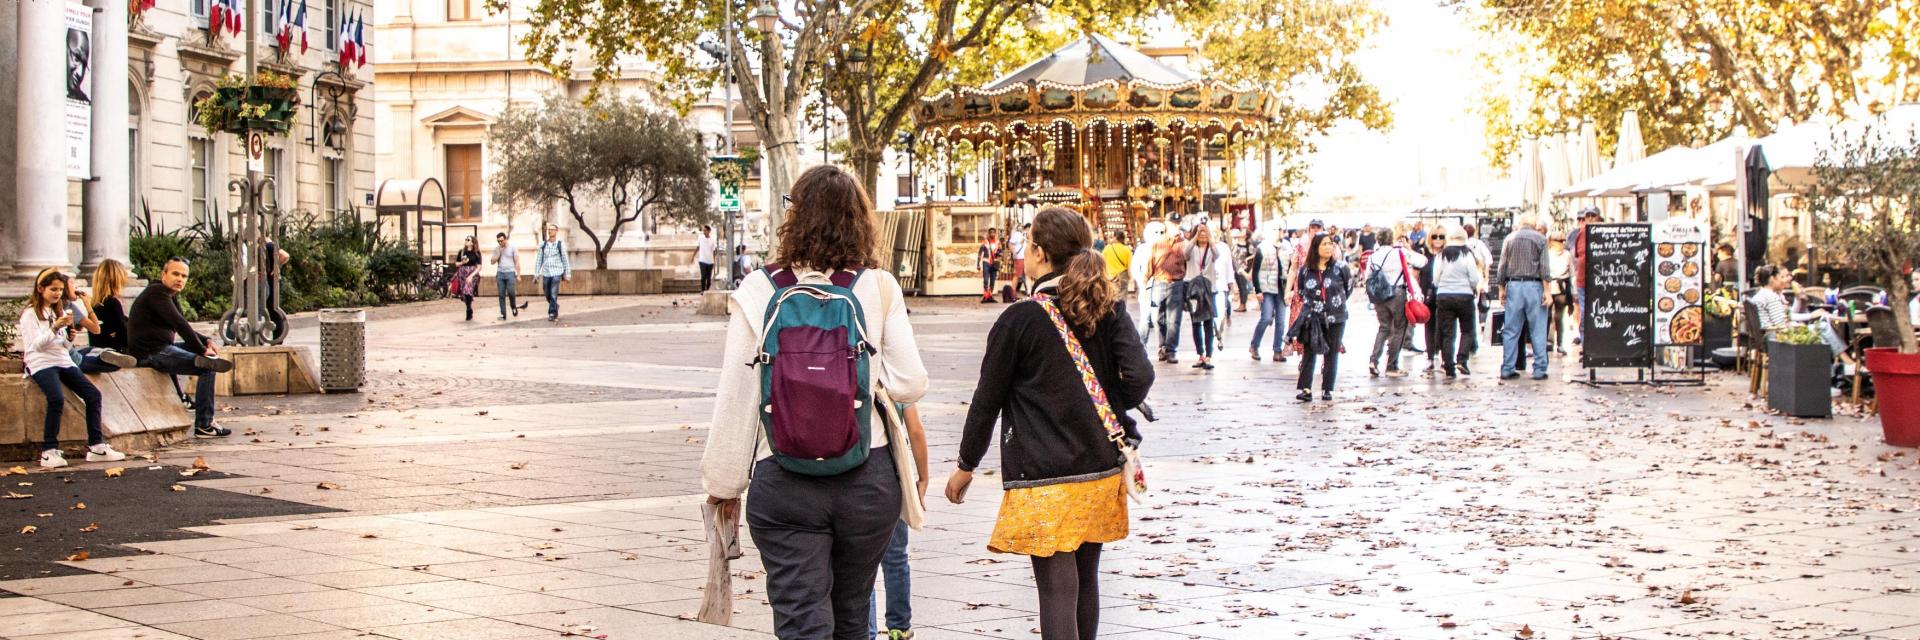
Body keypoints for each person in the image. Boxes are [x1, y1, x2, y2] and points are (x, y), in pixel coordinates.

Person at [701, 165, 929, 640]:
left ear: (795, 218)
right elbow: (910, 384)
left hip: (784, 484)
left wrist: (723, 484)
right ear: (858, 221)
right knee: (851, 615)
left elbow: (736, 401)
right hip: (867, 481)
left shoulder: (757, 290)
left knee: (802, 620)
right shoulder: (879, 286)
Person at [946, 205, 1154, 640]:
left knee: (1057, 588)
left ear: (1038, 253)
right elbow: (1140, 375)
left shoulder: (1018, 320)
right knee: (1087, 578)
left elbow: (986, 401)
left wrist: (966, 465)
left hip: (1044, 473)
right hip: (1099, 466)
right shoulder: (1107, 308)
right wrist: (1111, 406)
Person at [20, 270, 127, 469]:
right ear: (40, 288)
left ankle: (96, 446)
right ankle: (49, 450)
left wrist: (69, 338)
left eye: (60, 290)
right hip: (41, 363)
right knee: (56, 399)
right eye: (53, 289)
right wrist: (54, 329)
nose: (57, 294)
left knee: (93, 395)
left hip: (63, 360)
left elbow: (63, 346)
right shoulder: (30, 314)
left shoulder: (58, 311)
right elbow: (35, 346)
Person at [128, 258, 234, 437]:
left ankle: (196, 412)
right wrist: (201, 350)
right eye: (175, 274)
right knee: (208, 365)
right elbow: (178, 324)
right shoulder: (157, 292)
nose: (180, 279)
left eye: (184, 276)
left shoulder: (169, 294)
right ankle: (205, 424)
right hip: (151, 353)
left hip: (162, 348)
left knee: (207, 360)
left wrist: (205, 340)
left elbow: (184, 324)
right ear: (164, 274)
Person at [869, 403, 929, 640]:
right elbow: (915, 430)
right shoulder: (894, 377)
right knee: (896, 559)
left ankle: (866, 631)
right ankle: (899, 627)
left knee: (863, 565)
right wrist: (923, 477)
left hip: (854, 480)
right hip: (890, 479)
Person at [1288, 233, 1352, 401]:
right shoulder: (1305, 270)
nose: (1328, 247)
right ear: (1316, 248)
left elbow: (1348, 288)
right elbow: (1301, 292)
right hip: (1312, 316)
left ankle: (1327, 389)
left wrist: (1334, 302)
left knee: (1331, 353)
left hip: (1336, 317)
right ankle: (1306, 388)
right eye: (1324, 244)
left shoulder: (1341, 267)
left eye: (1330, 244)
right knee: (1309, 352)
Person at [1497, 214, 1554, 380]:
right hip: (1534, 286)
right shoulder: (1540, 239)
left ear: (1520, 224)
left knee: (1511, 330)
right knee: (1538, 329)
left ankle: (1507, 367)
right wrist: (1547, 291)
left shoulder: (1509, 239)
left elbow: (1502, 266)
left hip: (1514, 286)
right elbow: (1544, 268)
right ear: (1534, 224)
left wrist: (1501, 288)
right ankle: (1540, 369)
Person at [1363, 229, 1427, 377]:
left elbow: (1368, 276)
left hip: (1380, 294)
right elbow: (1422, 261)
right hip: (1397, 292)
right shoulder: (1399, 252)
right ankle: (1392, 365)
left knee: (1384, 327)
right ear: (1391, 239)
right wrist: (1408, 247)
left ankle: (1373, 360)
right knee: (1399, 328)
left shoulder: (1373, 256)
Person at [1751, 265, 1850, 360]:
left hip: (1769, 336)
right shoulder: (1771, 297)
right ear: (1773, 279)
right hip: (1776, 337)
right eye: (1781, 277)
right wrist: (1799, 325)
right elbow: (1781, 323)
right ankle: (1843, 364)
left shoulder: (1761, 295)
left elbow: (1784, 318)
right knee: (1823, 329)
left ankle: (1837, 366)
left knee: (1823, 332)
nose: (1784, 280)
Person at [1431, 229, 1484, 378]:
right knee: (1467, 330)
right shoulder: (1467, 255)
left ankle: (1449, 367)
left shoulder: (1441, 256)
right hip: (1464, 296)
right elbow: (1474, 278)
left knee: (1448, 333)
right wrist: (1471, 288)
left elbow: (1435, 279)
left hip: (1444, 296)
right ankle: (1462, 359)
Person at [1184, 223, 1233, 370]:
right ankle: (1200, 354)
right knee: (1195, 323)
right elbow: (1185, 254)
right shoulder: (1191, 248)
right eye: (1200, 233)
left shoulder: (1212, 249)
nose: (1202, 236)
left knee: (1208, 322)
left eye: (1205, 233)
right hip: (1193, 289)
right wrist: (1194, 238)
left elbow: (1217, 255)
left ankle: (1209, 355)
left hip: (1209, 288)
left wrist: (1210, 239)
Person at [86, 260, 140, 369]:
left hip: (98, 346)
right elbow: (122, 331)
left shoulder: (95, 305)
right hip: (116, 348)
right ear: (117, 280)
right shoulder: (112, 303)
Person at [1248, 228, 1292, 362]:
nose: (1279, 232)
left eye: (1281, 230)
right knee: (1266, 318)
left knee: (1281, 320)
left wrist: (1290, 289)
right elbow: (1255, 271)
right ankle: (1254, 345)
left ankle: (1277, 350)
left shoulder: (1287, 247)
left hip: (1282, 287)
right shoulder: (1262, 247)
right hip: (1266, 287)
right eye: (1277, 229)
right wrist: (1258, 290)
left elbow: (1291, 268)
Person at [1148, 224, 1189, 362]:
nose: (1175, 228)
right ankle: (1162, 347)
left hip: (1176, 283)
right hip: (1159, 282)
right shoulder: (1158, 243)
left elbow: (1188, 262)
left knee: (1174, 319)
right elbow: (1150, 261)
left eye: (1177, 225)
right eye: (1172, 224)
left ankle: (1171, 350)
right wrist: (1145, 280)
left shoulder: (1183, 244)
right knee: (1158, 318)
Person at [1568, 208, 1602, 345]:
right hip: (1583, 279)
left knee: (1599, 311)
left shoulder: (1605, 232)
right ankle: (1586, 344)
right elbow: (1577, 255)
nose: (1589, 218)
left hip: (1603, 280)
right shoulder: (1581, 233)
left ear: (1598, 217)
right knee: (1584, 311)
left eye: (1592, 215)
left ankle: (1597, 343)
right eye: (1586, 216)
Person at [1415, 232, 1447, 373]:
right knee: (1429, 325)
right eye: (1434, 236)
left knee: (1444, 325)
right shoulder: (1424, 254)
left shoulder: (1447, 254)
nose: (1438, 239)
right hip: (1427, 294)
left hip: (1444, 293)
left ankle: (1444, 357)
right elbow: (1416, 273)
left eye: (1441, 236)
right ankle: (1430, 357)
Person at [534, 223, 572, 321]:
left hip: (557, 272)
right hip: (546, 272)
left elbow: (565, 259)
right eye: (549, 230)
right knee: (547, 292)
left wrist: (567, 274)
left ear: (556, 231)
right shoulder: (543, 245)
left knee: (553, 292)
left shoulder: (560, 244)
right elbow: (539, 260)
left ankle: (552, 313)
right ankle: (555, 306)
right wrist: (536, 274)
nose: (550, 231)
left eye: (552, 229)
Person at [1547, 230, 1574, 355]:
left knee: (1559, 317)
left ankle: (1560, 343)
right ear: (1551, 242)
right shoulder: (1547, 254)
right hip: (1549, 287)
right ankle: (1549, 341)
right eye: (1558, 241)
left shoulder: (1567, 255)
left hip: (1562, 288)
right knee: (1548, 316)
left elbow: (1571, 272)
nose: (1560, 243)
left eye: (1562, 241)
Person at [491, 232, 527, 320]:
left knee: (511, 292)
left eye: (501, 241)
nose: (500, 243)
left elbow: (517, 262)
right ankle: (503, 314)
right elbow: (492, 262)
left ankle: (513, 307)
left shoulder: (513, 248)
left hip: (510, 273)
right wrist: (498, 254)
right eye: (498, 241)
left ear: (506, 239)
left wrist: (518, 275)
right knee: (501, 294)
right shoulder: (497, 249)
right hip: (500, 273)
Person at [453, 236, 482, 321]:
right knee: (464, 293)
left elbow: (479, 267)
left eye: (468, 240)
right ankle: (469, 307)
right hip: (462, 273)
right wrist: (462, 262)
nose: (466, 241)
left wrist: (471, 276)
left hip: (472, 273)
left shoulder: (477, 252)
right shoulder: (462, 252)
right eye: (466, 239)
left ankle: (468, 310)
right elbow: (456, 264)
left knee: (467, 290)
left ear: (473, 242)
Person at [1102, 229, 1133, 294]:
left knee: (1112, 297)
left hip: (1110, 277)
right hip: (1123, 277)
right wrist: (1131, 278)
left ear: (1115, 237)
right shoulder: (1127, 250)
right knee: (1122, 299)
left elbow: (1102, 263)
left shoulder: (1107, 248)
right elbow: (1129, 267)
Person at [980, 227, 1003, 303]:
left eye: (993, 232)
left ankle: (990, 296)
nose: (992, 234)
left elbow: (1001, 253)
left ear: (995, 234)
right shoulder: (985, 242)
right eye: (991, 232)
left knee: (992, 281)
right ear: (989, 234)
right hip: (986, 262)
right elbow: (980, 252)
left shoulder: (998, 242)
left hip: (994, 263)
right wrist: (978, 264)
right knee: (986, 280)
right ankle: (985, 296)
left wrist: (998, 254)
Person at [1009, 223, 1030, 296]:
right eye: (1020, 226)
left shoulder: (1025, 235)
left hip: (1025, 257)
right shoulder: (1016, 234)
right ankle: (1012, 293)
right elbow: (1010, 244)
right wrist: (1014, 252)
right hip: (1019, 257)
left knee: (1027, 275)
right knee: (1017, 275)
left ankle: (1029, 292)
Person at [696, 224, 718, 291]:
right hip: (702, 260)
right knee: (703, 277)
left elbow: (714, 251)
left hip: (710, 261)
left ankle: (707, 290)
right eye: (703, 230)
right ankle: (703, 290)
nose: (704, 232)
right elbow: (698, 247)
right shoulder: (700, 238)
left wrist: (714, 260)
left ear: (709, 231)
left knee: (709, 278)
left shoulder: (712, 240)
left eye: (705, 230)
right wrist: (693, 256)